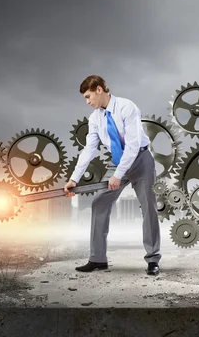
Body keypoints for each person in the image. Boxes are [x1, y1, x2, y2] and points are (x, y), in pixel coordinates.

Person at [63, 75, 161, 276]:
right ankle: (98, 259)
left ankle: (153, 260)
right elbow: (89, 150)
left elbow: (133, 145)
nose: (87, 101)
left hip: (141, 160)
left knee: (148, 207)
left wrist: (118, 175)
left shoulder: (127, 107)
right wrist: (74, 179)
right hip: (117, 161)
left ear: (99, 89)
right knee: (99, 203)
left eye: (88, 96)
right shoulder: (95, 118)